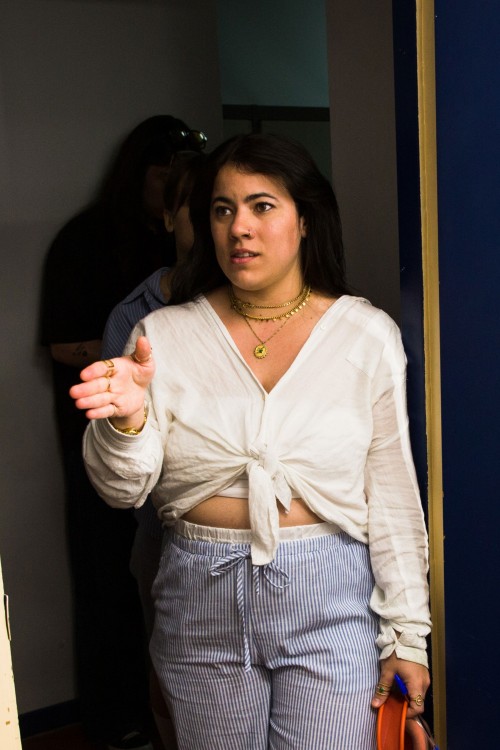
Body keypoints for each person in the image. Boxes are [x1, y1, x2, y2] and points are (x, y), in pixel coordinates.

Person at [69, 133, 431, 750]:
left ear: (305, 219)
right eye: (222, 209)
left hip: (331, 599)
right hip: (198, 595)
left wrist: (407, 636)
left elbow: (394, 497)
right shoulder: (163, 335)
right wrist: (125, 422)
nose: (239, 227)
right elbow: (122, 490)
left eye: (262, 206)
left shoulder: (365, 335)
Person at [40, 116, 206, 750]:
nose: (225, 228)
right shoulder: (126, 296)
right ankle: (123, 724)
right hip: (152, 510)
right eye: (199, 208)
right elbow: (65, 346)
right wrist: (130, 374)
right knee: (141, 622)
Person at [100, 150, 206, 750]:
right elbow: (120, 454)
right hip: (163, 534)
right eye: (202, 207)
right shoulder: (134, 317)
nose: (223, 225)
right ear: (169, 217)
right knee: (170, 686)